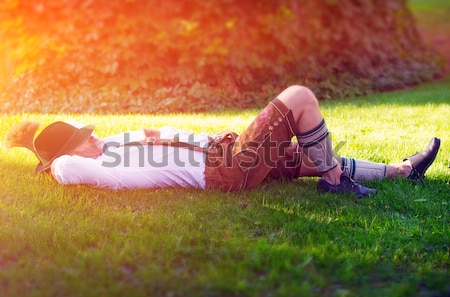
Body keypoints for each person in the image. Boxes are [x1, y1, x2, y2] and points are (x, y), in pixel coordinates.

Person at [5, 85, 441, 197]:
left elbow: (162, 137)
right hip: (226, 169)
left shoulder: (108, 147)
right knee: (299, 98)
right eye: (84, 141)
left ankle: (403, 170)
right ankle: (334, 180)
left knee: (304, 157)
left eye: (89, 134)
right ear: (67, 157)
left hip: (227, 152)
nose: (94, 140)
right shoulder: (82, 167)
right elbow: (62, 166)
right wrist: (46, 157)